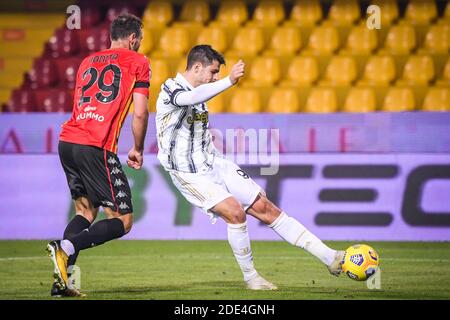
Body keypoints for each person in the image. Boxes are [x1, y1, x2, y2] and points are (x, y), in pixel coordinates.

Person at [155, 45, 345, 290]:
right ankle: (251, 278)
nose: (214, 77)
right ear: (197, 67)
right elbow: (190, 98)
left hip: (215, 163)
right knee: (236, 213)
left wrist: (223, 164)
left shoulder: (202, 96)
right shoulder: (171, 89)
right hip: (189, 174)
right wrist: (228, 81)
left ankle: (330, 257)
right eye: (213, 72)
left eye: (217, 74)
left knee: (266, 208)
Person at [46, 14, 151, 297]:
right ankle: (66, 247)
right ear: (133, 39)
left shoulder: (86, 62)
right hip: (95, 145)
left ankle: (63, 285)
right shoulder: (138, 62)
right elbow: (140, 111)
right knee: (123, 220)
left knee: (85, 212)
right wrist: (137, 148)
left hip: (67, 141)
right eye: (139, 39)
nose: (140, 44)